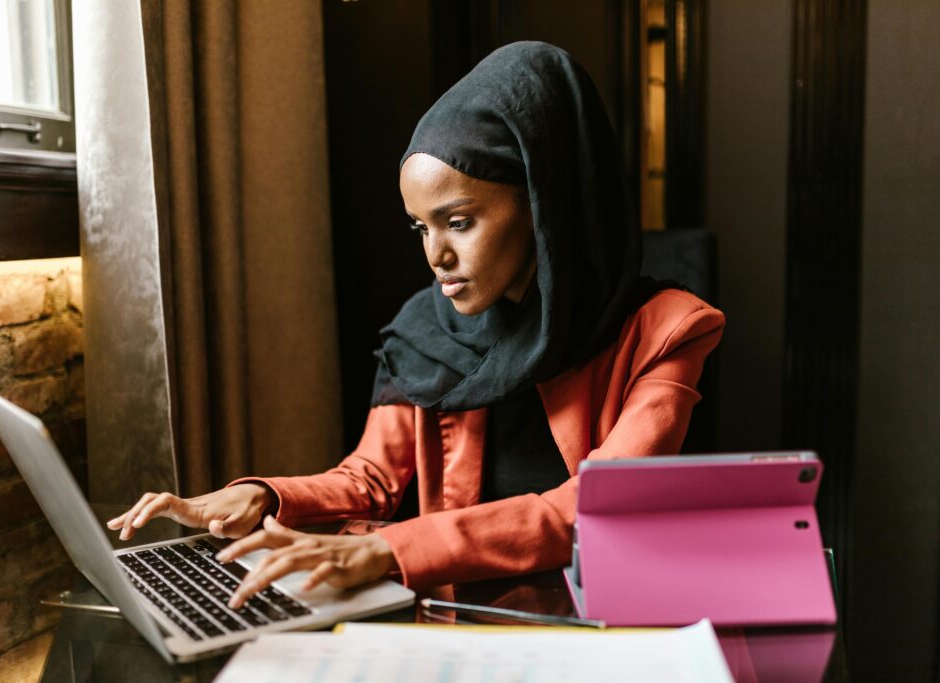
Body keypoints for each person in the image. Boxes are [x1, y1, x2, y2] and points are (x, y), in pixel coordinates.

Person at [107, 41, 725, 610]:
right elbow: (371, 478)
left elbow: (592, 511)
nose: (435, 257)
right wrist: (268, 496)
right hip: (449, 617)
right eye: (420, 227)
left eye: (458, 222)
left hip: (597, 629)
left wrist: (389, 549)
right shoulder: (427, 327)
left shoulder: (668, 331)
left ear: (543, 202)